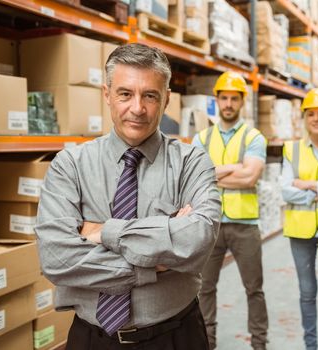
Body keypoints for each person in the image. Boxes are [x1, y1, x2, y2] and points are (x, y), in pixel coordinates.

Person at [35, 43, 221, 350]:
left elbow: (198, 240)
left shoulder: (192, 162)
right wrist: (152, 261)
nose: (138, 108)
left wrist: (103, 232)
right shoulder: (70, 165)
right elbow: (56, 258)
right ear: (106, 94)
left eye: (150, 95)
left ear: (166, 100)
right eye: (125, 94)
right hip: (92, 339)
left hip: (177, 336)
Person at [193, 71, 268, 350]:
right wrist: (235, 167)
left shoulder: (253, 137)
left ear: (241, 102)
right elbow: (195, 178)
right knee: (204, 288)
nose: (228, 103)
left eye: (233, 99)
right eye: (223, 98)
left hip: (245, 224)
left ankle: (259, 344)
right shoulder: (201, 138)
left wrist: (212, 172)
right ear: (217, 100)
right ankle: (207, 343)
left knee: (254, 289)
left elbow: (250, 178)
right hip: (209, 224)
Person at [281, 88, 318, 350]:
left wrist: (304, 185)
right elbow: (285, 189)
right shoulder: (291, 149)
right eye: (311, 114)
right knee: (306, 293)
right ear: (304, 118)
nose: (316, 119)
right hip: (300, 231)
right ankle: (311, 346)